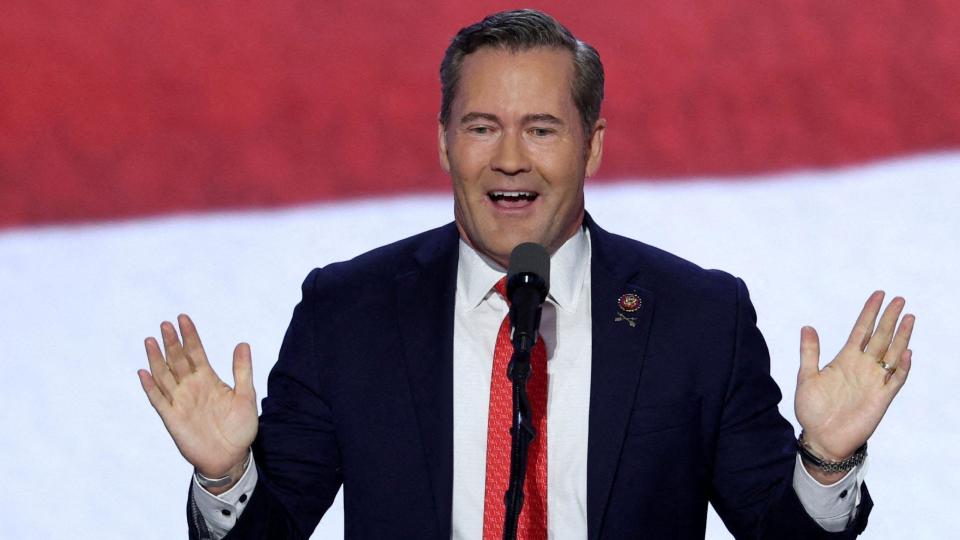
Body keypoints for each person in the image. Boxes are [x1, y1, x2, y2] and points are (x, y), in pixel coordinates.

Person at [138, 9, 915, 539]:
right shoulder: (349, 312)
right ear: (446, 144)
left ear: (592, 145)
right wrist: (225, 476)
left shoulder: (697, 318)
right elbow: (270, 526)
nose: (510, 159)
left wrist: (825, 461)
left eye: (541, 129)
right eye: (482, 128)